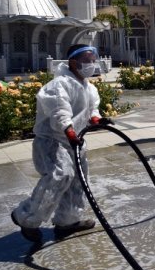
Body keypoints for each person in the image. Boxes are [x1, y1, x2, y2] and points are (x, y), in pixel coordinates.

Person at [11, 44, 110, 243]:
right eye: (86, 61)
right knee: (60, 175)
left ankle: (67, 221)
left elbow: (92, 109)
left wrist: (96, 119)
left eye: (93, 60)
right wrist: (69, 129)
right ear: (73, 62)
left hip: (75, 142)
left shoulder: (89, 88)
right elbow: (59, 111)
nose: (91, 64)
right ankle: (26, 217)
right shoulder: (59, 85)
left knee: (78, 182)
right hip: (53, 141)